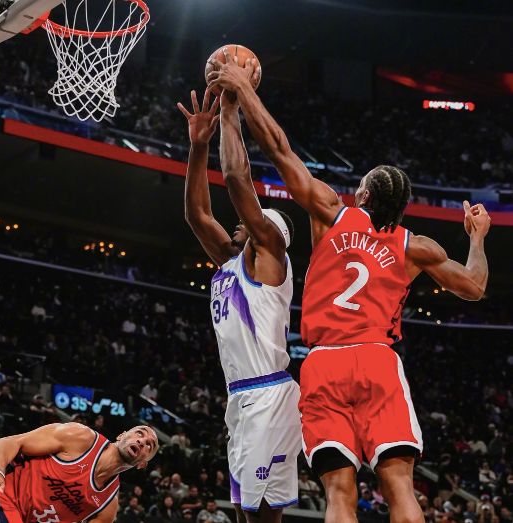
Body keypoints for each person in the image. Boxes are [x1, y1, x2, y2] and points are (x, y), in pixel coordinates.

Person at [208, 51, 490, 523]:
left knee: (340, 493)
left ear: (363, 195)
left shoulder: (331, 213)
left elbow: (279, 149)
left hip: (324, 363)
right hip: (377, 360)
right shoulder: (415, 246)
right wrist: (477, 238)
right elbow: (474, 287)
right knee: (399, 486)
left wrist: (242, 91)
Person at [178, 87, 301, 523]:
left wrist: (230, 112)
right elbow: (197, 215)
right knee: (247, 512)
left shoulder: (270, 256)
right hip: (242, 397)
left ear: (267, 230)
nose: (238, 221)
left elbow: (235, 179)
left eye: (250, 220)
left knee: (258, 515)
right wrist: (198, 146)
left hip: (267, 394)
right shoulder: (232, 263)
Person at [0, 423, 158, 522]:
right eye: (139, 433)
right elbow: (10, 442)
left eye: (150, 445)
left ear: (143, 464)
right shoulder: (81, 438)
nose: (142, 441)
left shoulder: (106, 507)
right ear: (122, 435)